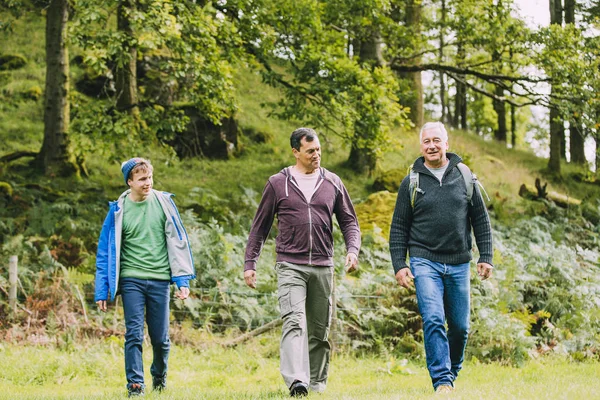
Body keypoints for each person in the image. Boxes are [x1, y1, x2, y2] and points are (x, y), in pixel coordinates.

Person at [244, 128, 361, 397]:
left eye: (318, 149)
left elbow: (349, 222)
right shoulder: (277, 183)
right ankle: (297, 381)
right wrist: (250, 263)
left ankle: (317, 384)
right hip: (290, 264)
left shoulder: (332, 181)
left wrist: (352, 250)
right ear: (296, 152)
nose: (316, 155)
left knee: (319, 330)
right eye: (310, 151)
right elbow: (259, 227)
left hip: (323, 265)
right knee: (294, 321)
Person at [389, 122, 493, 394]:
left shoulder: (465, 177)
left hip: (459, 262)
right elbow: (399, 226)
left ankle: (450, 373)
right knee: (433, 317)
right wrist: (400, 264)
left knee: (459, 328)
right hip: (424, 260)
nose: (432, 146)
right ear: (421, 146)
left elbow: (480, 219)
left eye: (437, 140)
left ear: (447, 143)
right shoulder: (411, 182)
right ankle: (442, 381)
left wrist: (487, 256)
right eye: (426, 142)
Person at [94, 158, 195, 397]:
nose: (147, 183)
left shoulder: (164, 204)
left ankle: (159, 376)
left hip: (160, 280)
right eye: (141, 179)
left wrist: (182, 281)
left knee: (160, 339)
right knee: (134, 334)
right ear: (130, 182)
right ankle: (135, 385)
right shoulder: (118, 210)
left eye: (149, 177)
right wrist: (102, 289)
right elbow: (105, 251)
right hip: (132, 281)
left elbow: (177, 242)